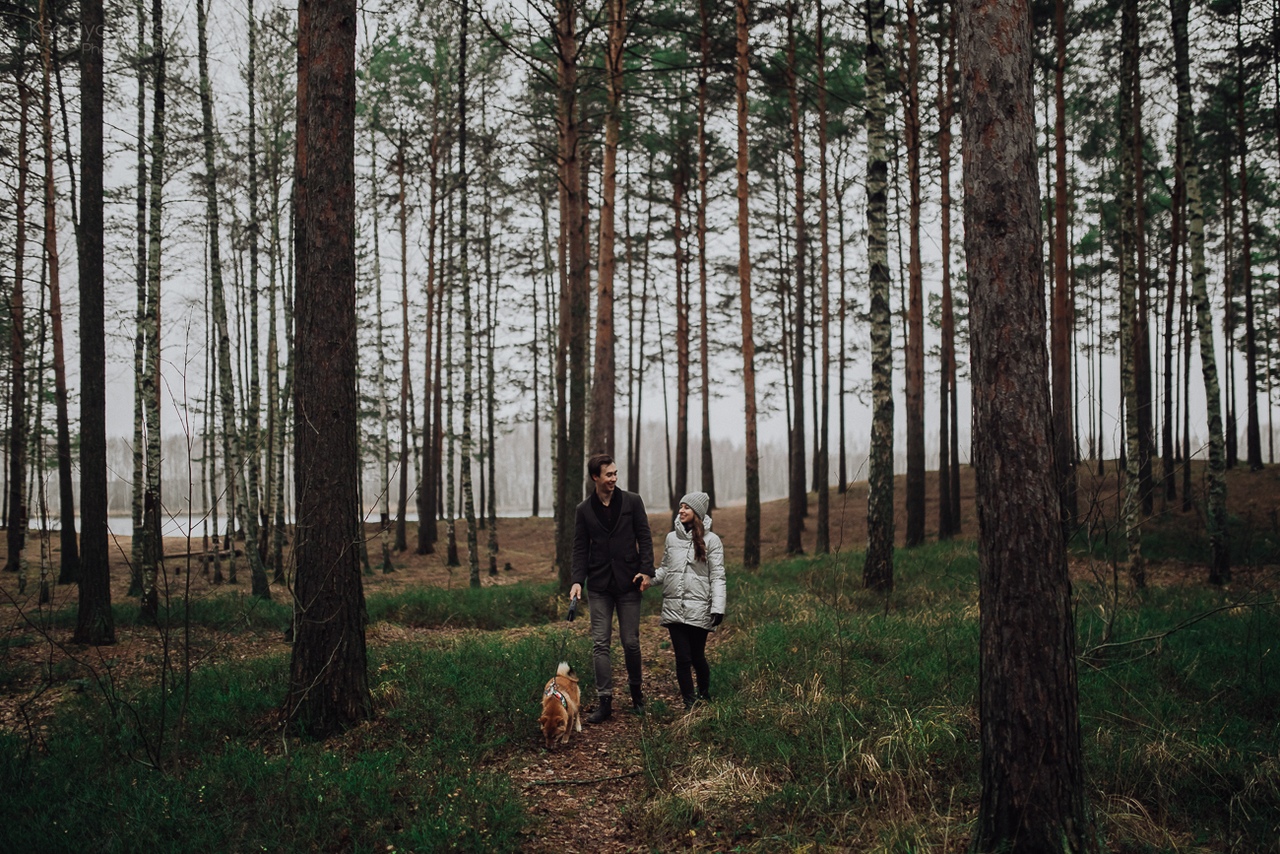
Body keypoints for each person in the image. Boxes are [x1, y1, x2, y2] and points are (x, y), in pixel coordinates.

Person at [570, 453, 654, 723]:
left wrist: (646, 570)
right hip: (599, 585)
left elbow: (645, 536)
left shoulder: (632, 501)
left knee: (630, 642)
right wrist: (576, 580)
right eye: (609, 475)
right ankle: (605, 703)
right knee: (600, 644)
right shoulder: (584, 510)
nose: (614, 479)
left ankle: (637, 696)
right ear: (596, 477)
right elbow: (580, 548)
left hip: (629, 582)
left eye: (616, 474)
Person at [643, 492, 725, 710]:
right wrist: (647, 580)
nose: (681, 511)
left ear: (697, 512)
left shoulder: (712, 541)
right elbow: (666, 570)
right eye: (680, 506)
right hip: (674, 608)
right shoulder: (672, 538)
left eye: (686, 507)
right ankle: (690, 706)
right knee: (682, 658)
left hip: (699, 608)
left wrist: (718, 607)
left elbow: (717, 576)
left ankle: (704, 696)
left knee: (697, 657)